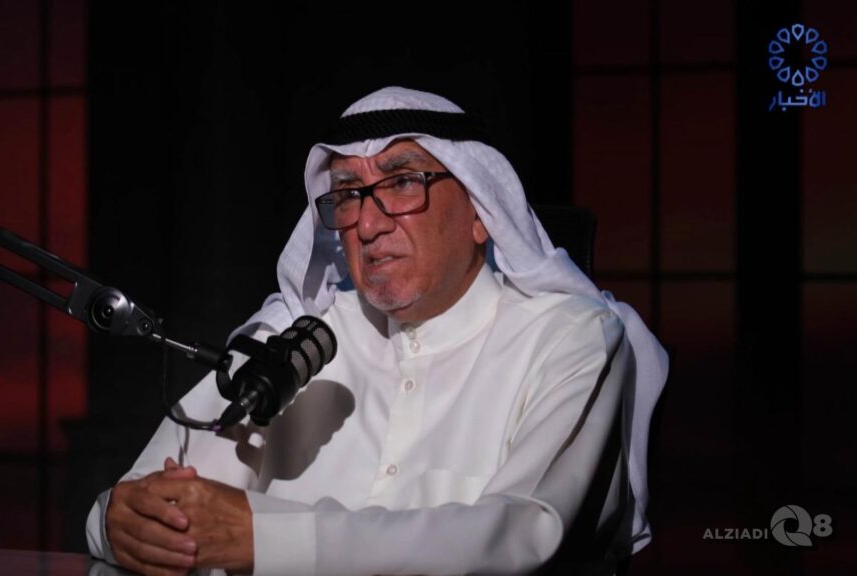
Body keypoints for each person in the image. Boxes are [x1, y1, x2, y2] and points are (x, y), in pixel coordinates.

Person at [86, 87, 669, 576]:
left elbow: (524, 532)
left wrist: (265, 538)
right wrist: (119, 522)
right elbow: (140, 497)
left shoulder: (567, 339)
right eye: (347, 195)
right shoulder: (298, 338)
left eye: (403, 182)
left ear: (481, 212)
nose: (366, 223)